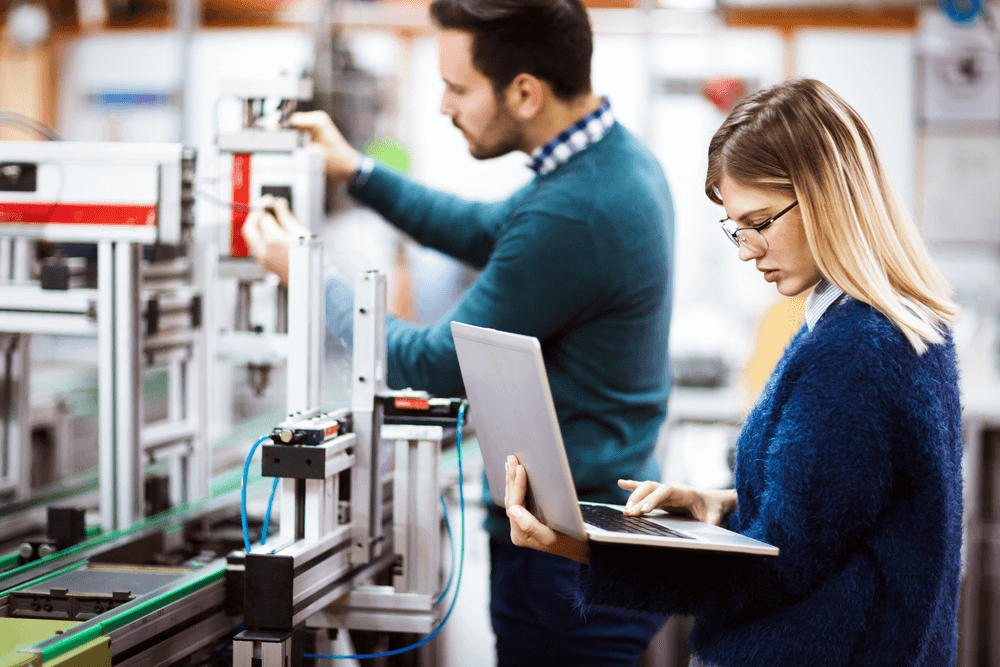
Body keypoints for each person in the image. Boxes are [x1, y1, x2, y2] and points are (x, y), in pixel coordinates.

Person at [241, 0, 675, 663]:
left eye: (458, 86)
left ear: (525, 92)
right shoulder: (609, 163)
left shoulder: (576, 210)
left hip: (568, 557)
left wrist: (306, 275)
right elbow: (481, 228)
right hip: (586, 541)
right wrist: (357, 171)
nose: (445, 104)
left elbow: (433, 363)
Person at [504, 77, 963, 667]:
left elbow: (775, 570)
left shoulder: (856, 352)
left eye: (761, 222)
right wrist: (716, 504)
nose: (747, 249)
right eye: (736, 228)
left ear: (827, 194)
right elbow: (843, 520)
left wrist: (584, 548)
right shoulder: (899, 323)